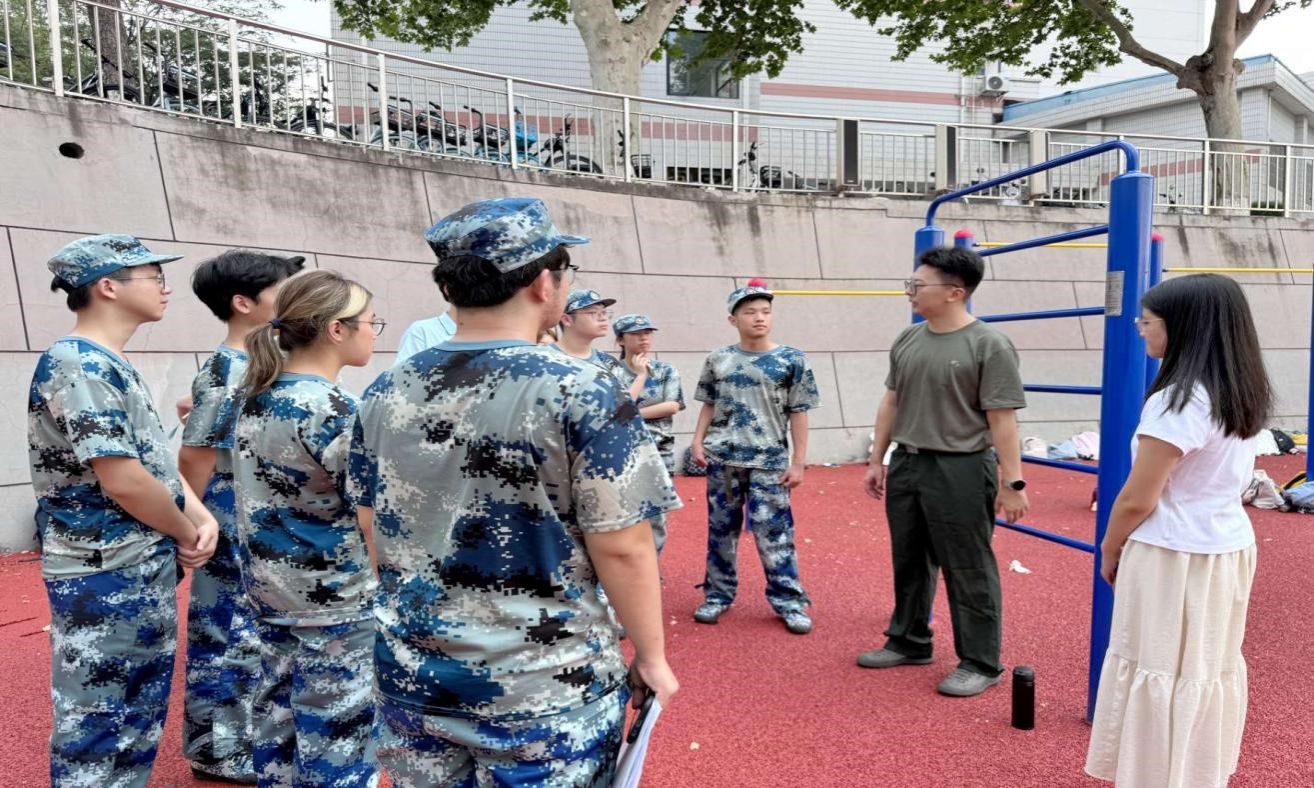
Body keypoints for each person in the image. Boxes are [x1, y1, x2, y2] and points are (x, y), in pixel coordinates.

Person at [349, 197, 680, 785]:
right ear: (542, 283)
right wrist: (651, 657)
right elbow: (623, 544)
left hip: (413, 673)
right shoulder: (583, 389)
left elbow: (372, 525)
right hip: (543, 683)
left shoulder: (385, 389)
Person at [28, 234, 219, 786]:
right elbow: (123, 480)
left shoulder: (108, 361)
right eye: (153, 277)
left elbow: (152, 464)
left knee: (137, 716)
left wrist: (200, 518)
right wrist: (185, 529)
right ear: (108, 286)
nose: (165, 288)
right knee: (96, 721)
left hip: (135, 562)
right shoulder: (79, 364)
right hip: (101, 568)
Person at [1086, 274, 1271, 788]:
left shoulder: (1178, 400)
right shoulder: (1241, 391)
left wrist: (1109, 547)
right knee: (1204, 666)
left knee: (1157, 664)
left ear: (1182, 328)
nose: (1141, 329)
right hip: (1226, 546)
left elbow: (1138, 496)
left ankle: (1151, 776)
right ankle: (1194, 773)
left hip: (1171, 552)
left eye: (1148, 321)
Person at [232, 270, 382, 787]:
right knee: (341, 739)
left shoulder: (256, 396)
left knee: (279, 727)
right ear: (336, 329)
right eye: (371, 322)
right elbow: (371, 513)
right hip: (336, 597)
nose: (374, 332)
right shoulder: (335, 409)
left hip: (272, 589)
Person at [861, 246, 1028, 698]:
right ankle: (909, 640)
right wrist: (877, 459)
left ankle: (980, 661)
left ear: (955, 292)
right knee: (910, 558)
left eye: (918, 285)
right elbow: (891, 402)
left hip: (962, 467)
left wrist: (1012, 483)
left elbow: (1003, 419)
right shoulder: (908, 340)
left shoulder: (989, 344)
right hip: (909, 462)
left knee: (968, 565)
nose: (910, 292)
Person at [180, 249, 306, 783]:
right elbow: (194, 457)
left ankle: (238, 736)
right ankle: (215, 747)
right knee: (225, 632)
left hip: (251, 515)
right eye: (282, 289)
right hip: (229, 515)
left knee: (247, 633)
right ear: (243, 303)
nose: (294, 297)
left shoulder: (256, 362)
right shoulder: (231, 368)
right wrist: (194, 524)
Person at [690, 278, 819, 635]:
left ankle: (789, 601)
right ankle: (717, 595)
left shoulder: (791, 360)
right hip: (723, 460)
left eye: (765, 311)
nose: (759, 317)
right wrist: (697, 442)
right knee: (721, 532)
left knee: (774, 535)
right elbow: (709, 404)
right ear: (733, 320)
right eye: (750, 312)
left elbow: (799, 411)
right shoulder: (719, 358)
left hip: (769, 462)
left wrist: (799, 462)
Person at [612, 313, 685, 554]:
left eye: (647, 333)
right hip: (622, 452)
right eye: (636, 334)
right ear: (620, 340)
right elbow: (616, 410)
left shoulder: (665, 371)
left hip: (658, 451)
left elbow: (672, 405)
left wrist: (631, 414)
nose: (644, 338)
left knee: (656, 517)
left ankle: (651, 568)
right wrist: (641, 376)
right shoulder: (611, 372)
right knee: (621, 515)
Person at [555, 287, 623, 374]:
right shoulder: (542, 358)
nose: (603, 318)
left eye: (604, 312)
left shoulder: (609, 363)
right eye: (593, 313)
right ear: (567, 320)